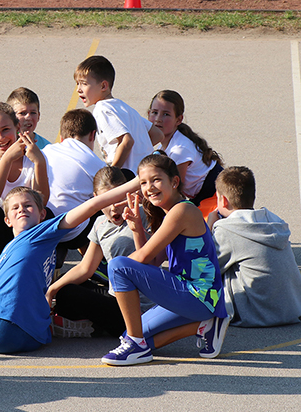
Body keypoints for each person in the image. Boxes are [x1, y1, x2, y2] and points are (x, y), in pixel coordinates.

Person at [0, 177, 140, 354]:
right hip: (34, 337)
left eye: (28, 206)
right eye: (15, 208)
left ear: (42, 215)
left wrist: (139, 181)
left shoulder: (41, 234)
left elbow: (93, 204)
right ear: (7, 220)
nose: (21, 210)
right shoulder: (10, 253)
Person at [101, 153, 229, 366]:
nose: (149, 187)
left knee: (117, 265)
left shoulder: (183, 211)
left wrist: (117, 274)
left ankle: (136, 346)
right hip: (195, 297)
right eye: (143, 182)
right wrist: (137, 229)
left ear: (175, 181)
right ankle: (204, 325)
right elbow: (150, 262)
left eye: (156, 180)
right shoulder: (172, 214)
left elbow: (141, 258)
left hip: (198, 294)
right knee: (134, 334)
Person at [46, 167, 151, 338]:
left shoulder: (145, 214)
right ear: (95, 198)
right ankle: (89, 323)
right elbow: (85, 268)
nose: (114, 207)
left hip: (138, 308)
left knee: (69, 294)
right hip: (115, 296)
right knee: (66, 284)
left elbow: (148, 260)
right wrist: (52, 290)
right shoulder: (100, 224)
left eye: (118, 199)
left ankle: (96, 326)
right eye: (107, 201)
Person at [208, 166, 301, 327]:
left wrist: (209, 226)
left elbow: (206, 268)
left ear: (223, 200)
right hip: (291, 310)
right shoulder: (273, 220)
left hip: (256, 315)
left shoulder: (227, 229)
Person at [0, 101, 48, 276]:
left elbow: (42, 200)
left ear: (17, 127)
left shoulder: (34, 156)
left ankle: (37, 276)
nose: (0, 138)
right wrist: (6, 160)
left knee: (47, 214)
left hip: (25, 226)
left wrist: (39, 162)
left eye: (5, 129)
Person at [75, 55, 163, 172]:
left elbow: (127, 141)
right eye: (77, 83)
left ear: (103, 86)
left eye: (84, 84)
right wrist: (137, 152)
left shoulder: (102, 109)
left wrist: (114, 171)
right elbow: (158, 134)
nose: (78, 89)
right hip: (144, 171)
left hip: (128, 174)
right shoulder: (124, 107)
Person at [42, 109, 106, 267]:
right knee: (103, 199)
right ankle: (97, 262)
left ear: (62, 136)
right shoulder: (95, 162)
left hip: (43, 222)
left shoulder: (47, 151)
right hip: (74, 233)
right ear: (92, 135)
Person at [148, 89, 223, 205]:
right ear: (148, 114)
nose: (158, 119)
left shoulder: (179, 149)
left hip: (215, 195)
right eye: (154, 112)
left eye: (166, 114)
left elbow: (175, 189)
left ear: (178, 120)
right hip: (203, 195)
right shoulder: (164, 145)